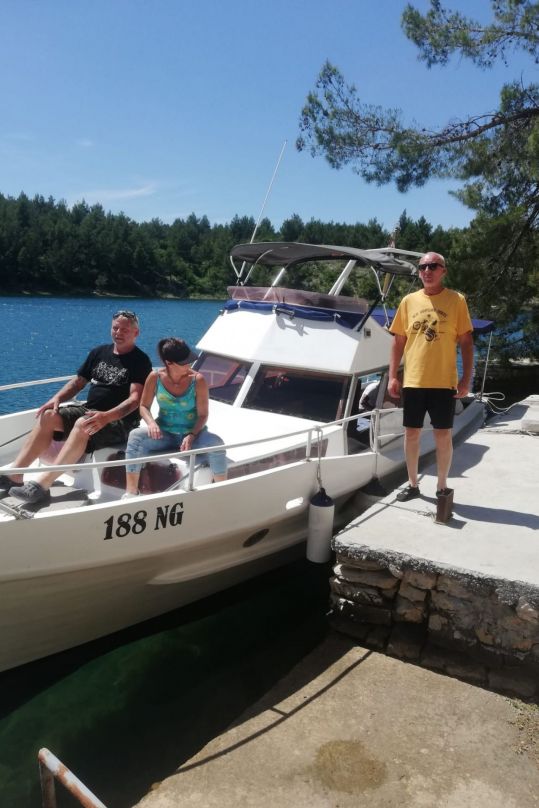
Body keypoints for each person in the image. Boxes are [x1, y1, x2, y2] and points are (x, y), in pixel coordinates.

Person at [1, 310, 152, 506]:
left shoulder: (140, 361)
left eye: (124, 330)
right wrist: (56, 398)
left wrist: (106, 417)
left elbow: (134, 400)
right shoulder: (99, 352)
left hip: (119, 422)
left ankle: (41, 485)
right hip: (89, 411)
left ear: (135, 333)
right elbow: (78, 382)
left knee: (83, 423)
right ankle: (15, 476)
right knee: (48, 415)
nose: (118, 333)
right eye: (115, 328)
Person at [388, 251, 474, 502]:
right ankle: (413, 485)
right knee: (411, 434)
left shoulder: (456, 300)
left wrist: (466, 379)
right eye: (423, 266)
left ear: (443, 271)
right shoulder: (408, 301)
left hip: (443, 382)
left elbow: (466, 342)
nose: (427, 270)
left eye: (433, 266)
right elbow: (398, 342)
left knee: (443, 435)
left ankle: (442, 487)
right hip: (414, 380)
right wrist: (393, 376)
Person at [123, 337, 227, 497]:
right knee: (135, 436)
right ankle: (130, 493)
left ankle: (222, 492)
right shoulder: (155, 377)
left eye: (190, 360)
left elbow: (203, 414)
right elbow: (143, 406)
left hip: (193, 436)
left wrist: (192, 435)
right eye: (184, 362)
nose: (189, 364)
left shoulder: (198, 380)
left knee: (217, 444)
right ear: (169, 363)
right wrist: (151, 423)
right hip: (165, 434)